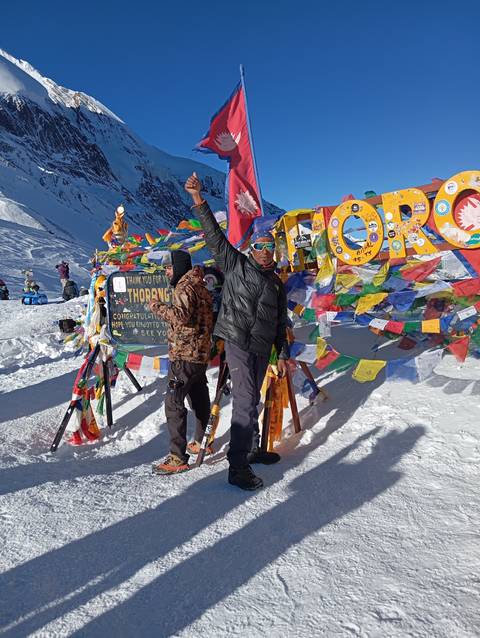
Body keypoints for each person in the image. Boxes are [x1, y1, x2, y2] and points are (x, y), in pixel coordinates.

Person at [185, 172, 290, 491]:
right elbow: (214, 238)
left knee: (252, 399)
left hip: (261, 348)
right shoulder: (236, 266)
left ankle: (254, 448)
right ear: (252, 248)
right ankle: (237, 465)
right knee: (245, 400)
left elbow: (280, 323)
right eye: (259, 245)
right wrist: (198, 200)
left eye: (269, 246)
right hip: (238, 342)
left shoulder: (276, 283)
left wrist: (281, 355)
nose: (265, 250)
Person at [149, 250, 214, 475]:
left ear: (177, 267)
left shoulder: (184, 287)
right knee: (199, 398)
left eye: (168, 268)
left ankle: (177, 456)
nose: (167, 272)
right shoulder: (200, 285)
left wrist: (156, 306)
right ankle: (202, 439)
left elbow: (180, 316)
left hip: (184, 354)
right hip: (199, 354)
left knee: (173, 403)